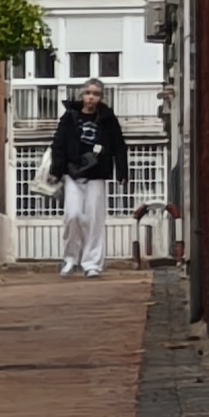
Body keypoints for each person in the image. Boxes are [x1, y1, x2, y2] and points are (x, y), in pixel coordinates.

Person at [47, 79, 127, 278]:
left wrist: (122, 172)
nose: (91, 97)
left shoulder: (108, 118)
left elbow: (119, 145)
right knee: (72, 215)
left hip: (97, 174)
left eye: (96, 94)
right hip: (73, 173)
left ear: (102, 97)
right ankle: (70, 259)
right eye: (88, 93)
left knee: (94, 219)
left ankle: (92, 263)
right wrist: (56, 170)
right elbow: (58, 144)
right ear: (82, 95)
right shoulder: (70, 116)